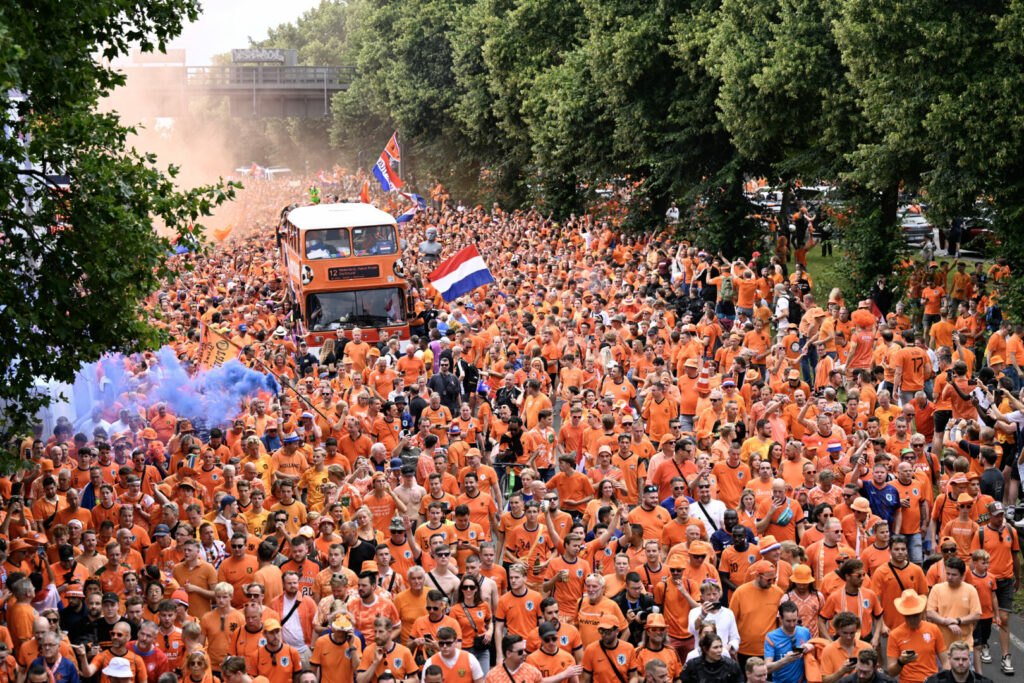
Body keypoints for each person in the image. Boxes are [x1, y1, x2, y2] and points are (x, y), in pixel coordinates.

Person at [887, 590, 949, 683]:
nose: (912, 620)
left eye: (915, 615)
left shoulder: (933, 629)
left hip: (932, 680)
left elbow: (945, 662)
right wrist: (901, 662)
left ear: (922, 613)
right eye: (908, 616)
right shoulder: (895, 635)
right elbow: (891, 672)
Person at [764, 602, 812, 683]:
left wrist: (811, 647)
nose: (792, 624)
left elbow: (814, 656)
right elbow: (767, 668)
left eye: (794, 620)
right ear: (780, 618)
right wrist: (785, 660)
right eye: (788, 621)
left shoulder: (805, 632)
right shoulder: (771, 637)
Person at [580, 617, 636, 683]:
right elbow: (585, 680)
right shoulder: (590, 650)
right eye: (601, 631)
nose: (603, 635)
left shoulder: (629, 648)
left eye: (607, 631)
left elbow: (634, 677)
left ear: (617, 631)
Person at [922, 641, 992, 683]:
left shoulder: (983, 682)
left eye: (964, 659)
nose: (960, 663)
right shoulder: (934, 681)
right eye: (956, 659)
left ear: (970, 660)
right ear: (949, 659)